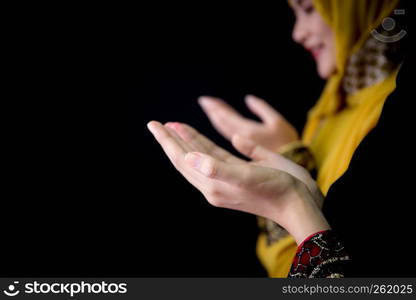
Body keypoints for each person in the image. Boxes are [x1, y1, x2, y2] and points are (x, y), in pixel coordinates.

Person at [190, 0, 405, 277]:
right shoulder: (333, 101)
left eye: (309, 9)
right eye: (295, 13)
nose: (298, 33)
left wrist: (288, 162)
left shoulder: (388, 110)